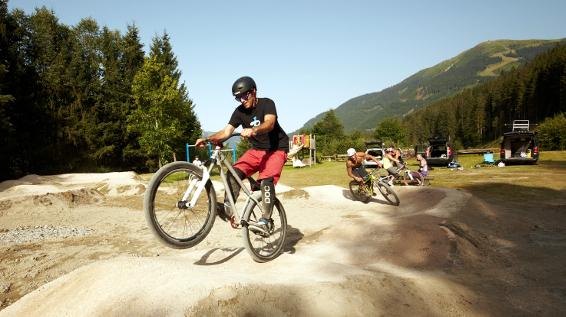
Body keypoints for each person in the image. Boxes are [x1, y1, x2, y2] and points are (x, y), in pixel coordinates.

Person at [195, 76, 289, 235]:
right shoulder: (239, 112)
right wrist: (208, 139)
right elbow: (226, 132)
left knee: (266, 181)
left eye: (245, 96)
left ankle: (265, 220)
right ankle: (228, 210)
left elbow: (269, 123)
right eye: (238, 98)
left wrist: (254, 130)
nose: (242, 100)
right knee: (233, 173)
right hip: (257, 150)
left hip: (276, 149)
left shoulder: (267, 103)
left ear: (254, 91)